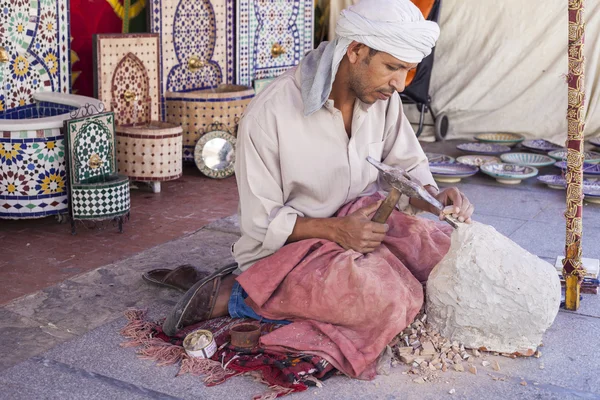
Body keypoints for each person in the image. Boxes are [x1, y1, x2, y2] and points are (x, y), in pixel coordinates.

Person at [159, 0, 474, 378]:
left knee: (442, 253)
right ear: (356, 50)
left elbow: (407, 165)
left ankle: (332, 284)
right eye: (392, 67)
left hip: (356, 229)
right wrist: (336, 231)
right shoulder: (270, 113)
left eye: (407, 71)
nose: (399, 84)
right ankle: (240, 294)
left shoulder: (380, 99)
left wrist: (433, 196)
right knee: (388, 301)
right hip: (290, 250)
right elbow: (261, 222)